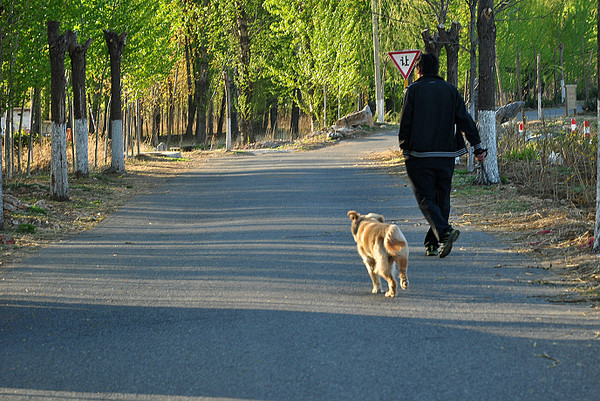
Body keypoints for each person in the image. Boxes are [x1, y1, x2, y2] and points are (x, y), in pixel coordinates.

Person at [398, 53, 486, 258]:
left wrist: (404, 146)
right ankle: (432, 243)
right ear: (438, 70)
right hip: (446, 155)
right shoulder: (451, 91)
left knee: (426, 198)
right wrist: (478, 147)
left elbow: (405, 123)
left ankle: (445, 232)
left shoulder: (412, 91)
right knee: (442, 198)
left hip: (419, 155)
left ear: (418, 70)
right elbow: (465, 120)